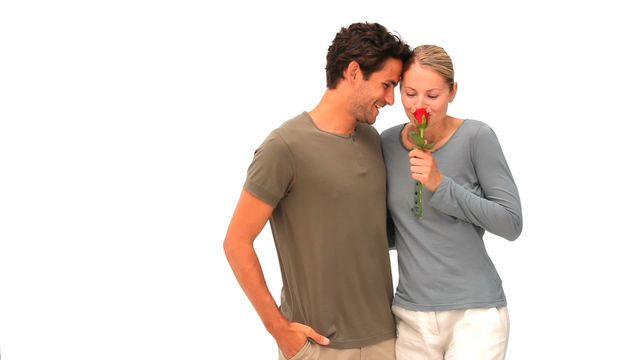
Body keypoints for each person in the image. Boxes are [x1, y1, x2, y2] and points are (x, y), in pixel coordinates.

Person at [223, 22, 411, 360]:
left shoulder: (373, 141)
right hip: (320, 346)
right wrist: (279, 330)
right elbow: (236, 242)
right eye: (386, 85)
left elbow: (374, 233)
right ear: (354, 72)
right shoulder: (284, 147)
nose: (390, 99)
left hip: (387, 341)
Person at [381, 45, 523, 359]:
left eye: (433, 96)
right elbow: (398, 229)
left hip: (476, 315)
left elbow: (511, 223)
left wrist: (441, 185)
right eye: (410, 93)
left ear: (452, 91)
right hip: (410, 315)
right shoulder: (387, 143)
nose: (420, 106)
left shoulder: (477, 137)